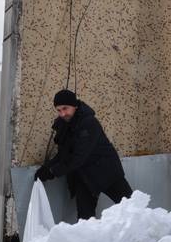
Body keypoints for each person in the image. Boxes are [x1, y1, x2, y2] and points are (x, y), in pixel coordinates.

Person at [35, 89, 132, 220]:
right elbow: (63, 154)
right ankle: (90, 240)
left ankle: (151, 233)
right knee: (85, 221)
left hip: (106, 172)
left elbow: (78, 157)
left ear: (75, 106)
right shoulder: (64, 126)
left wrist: (53, 171)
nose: (62, 114)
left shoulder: (89, 123)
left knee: (132, 208)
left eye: (65, 108)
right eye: (58, 110)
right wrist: (46, 168)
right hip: (84, 177)